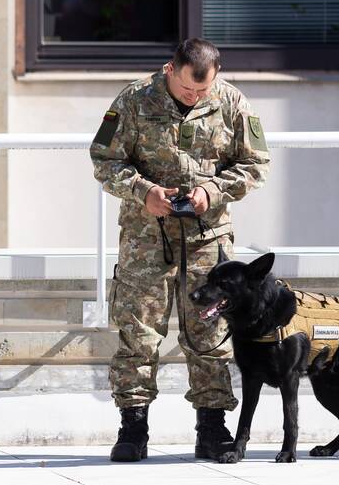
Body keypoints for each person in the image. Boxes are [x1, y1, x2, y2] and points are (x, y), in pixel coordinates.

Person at [90, 38, 270, 462]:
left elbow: (256, 164)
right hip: (145, 238)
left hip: (208, 238)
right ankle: (133, 429)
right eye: (188, 90)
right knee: (138, 332)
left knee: (209, 333)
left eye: (202, 91)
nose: (195, 97)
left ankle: (211, 428)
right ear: (170, 69)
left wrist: (212, 189)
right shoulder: (134, 100)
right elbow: (104, 159)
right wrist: (142, 189)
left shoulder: (232, 102)